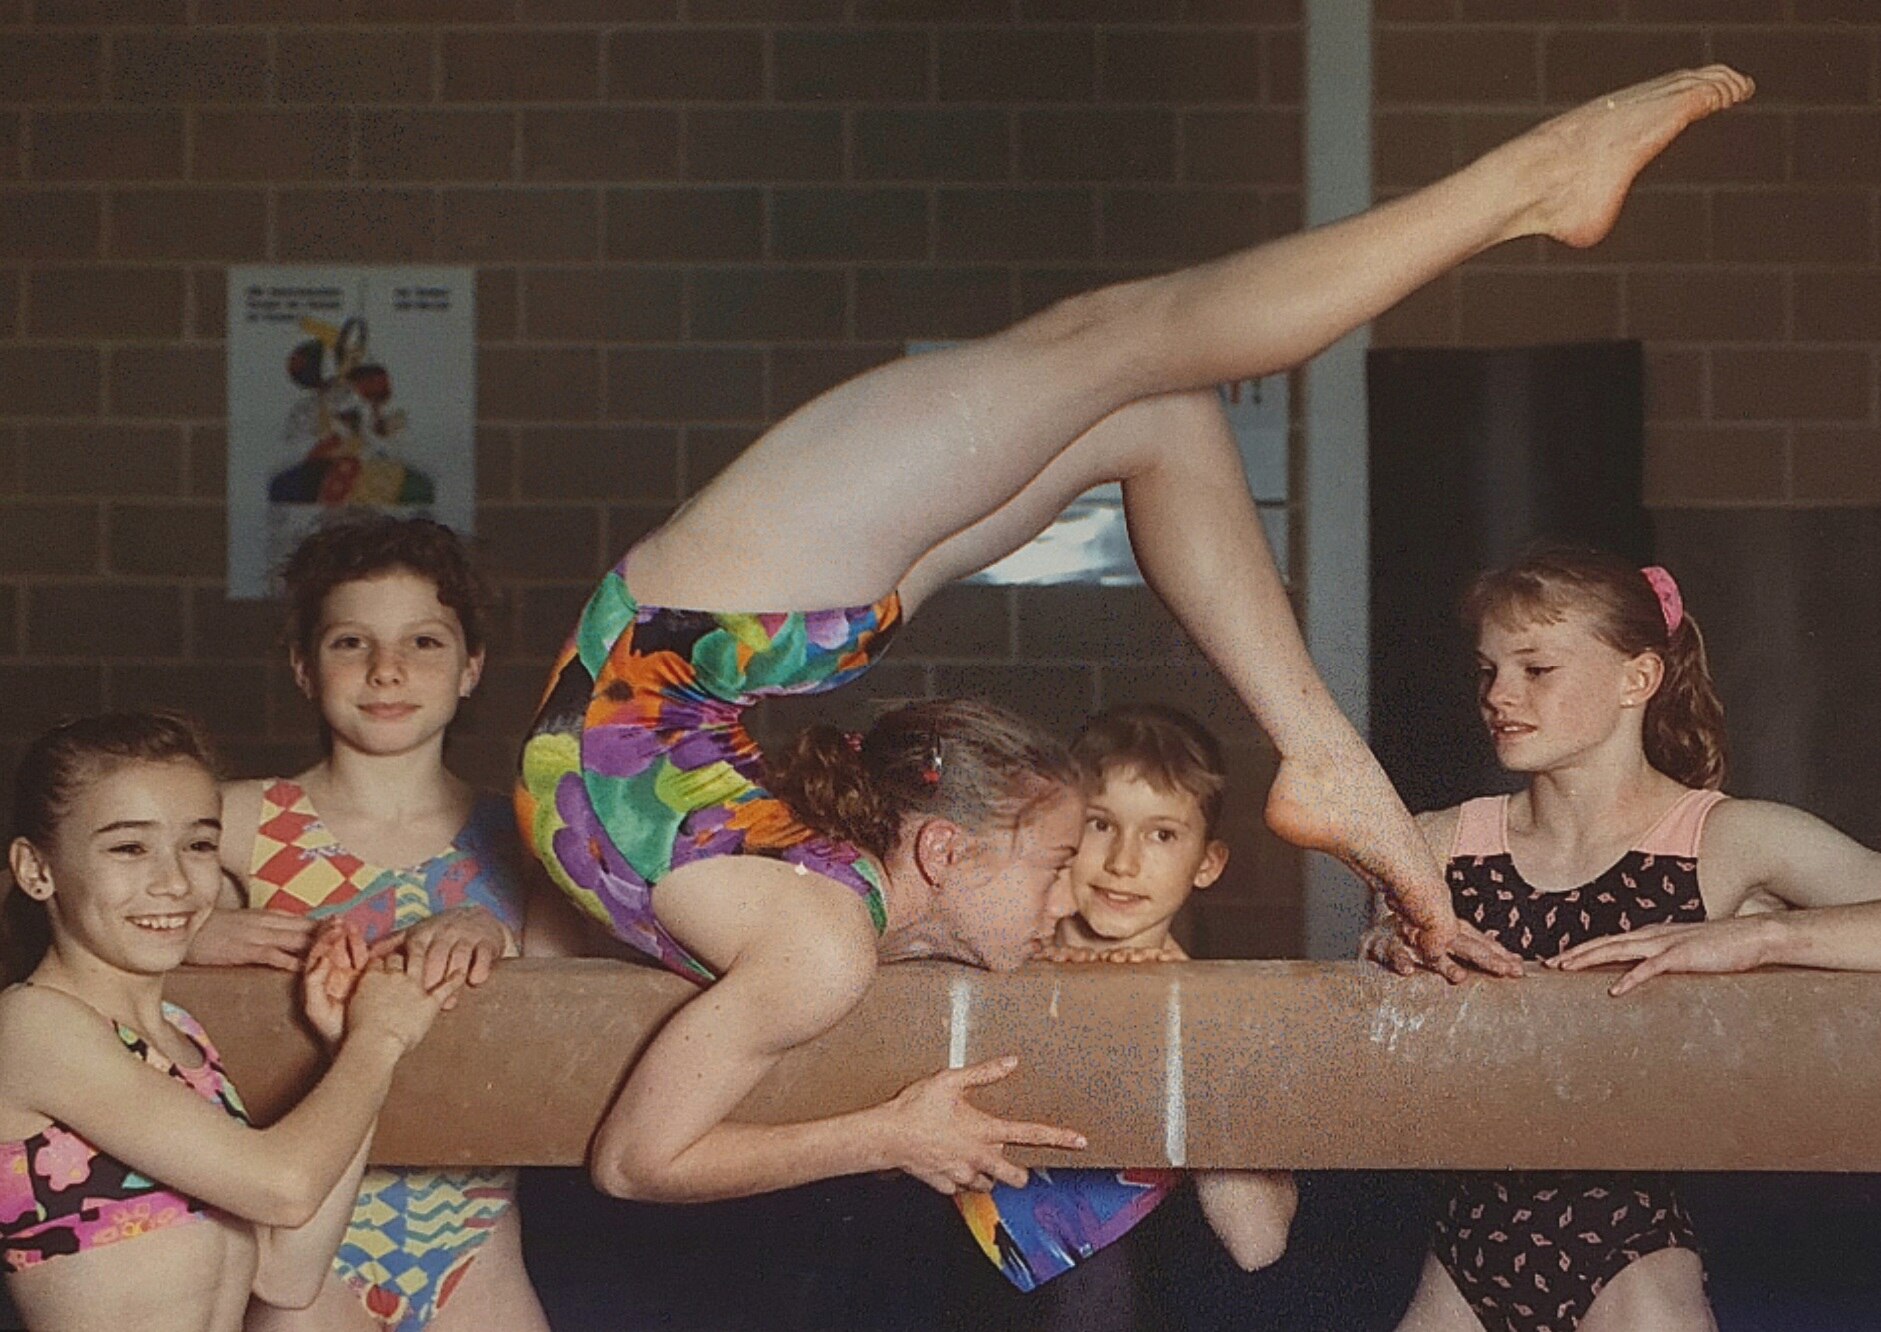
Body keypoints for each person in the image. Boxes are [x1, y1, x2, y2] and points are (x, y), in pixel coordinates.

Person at [518, 67, 1757, 1206]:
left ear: (940, 855)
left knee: (1147, 379)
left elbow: (628, 1063)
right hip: (696, 649)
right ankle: (1522, 185)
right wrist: (885, 1132)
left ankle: (1326, 756)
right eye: (1058, 862)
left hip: (692, 648)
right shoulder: (822, 953)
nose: (1074, 890)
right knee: (1137, 367)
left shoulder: (827, 930)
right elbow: (637, 1163)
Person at [1363, 545, 1881, 1332]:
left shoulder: (1726, 841)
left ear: (1638, 678)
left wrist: (1765, 937)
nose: (1500, 695)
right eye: (1488, 671)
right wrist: (1384, 950)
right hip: (1462, 1262)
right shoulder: (1437, 844)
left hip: (1631, 1258)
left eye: (1536, 670)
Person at [188, 517, 547, 1332]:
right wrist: (184, 932)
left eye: (423, 642)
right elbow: (40, 896)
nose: (387, 670)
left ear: (471, 667)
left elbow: (607, 973)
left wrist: (496, 933)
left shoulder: (522, 840)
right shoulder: (240, 821)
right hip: (308, 1254)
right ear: (304, 668)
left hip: (473, 1252)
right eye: (351, 642)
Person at [0, 711, 460, 1332]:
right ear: (36, 870)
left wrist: (346, 1045)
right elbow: (285, 1186)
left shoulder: (181, 1036)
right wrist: (380, 1039)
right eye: (129, 848)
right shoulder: (33, 1026)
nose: (175, 882)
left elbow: (285, 1275)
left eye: (198, 845)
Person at [958, 705, 1296, 1328]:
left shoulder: (1211, 1016)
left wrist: (1188, 1048)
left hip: (1116, 1284)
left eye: (1162, 834)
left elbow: (1259, 1244)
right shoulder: (985, 959)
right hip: (964, 1272)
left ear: (1208, 863)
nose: (1123, 862)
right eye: (1100, 825)